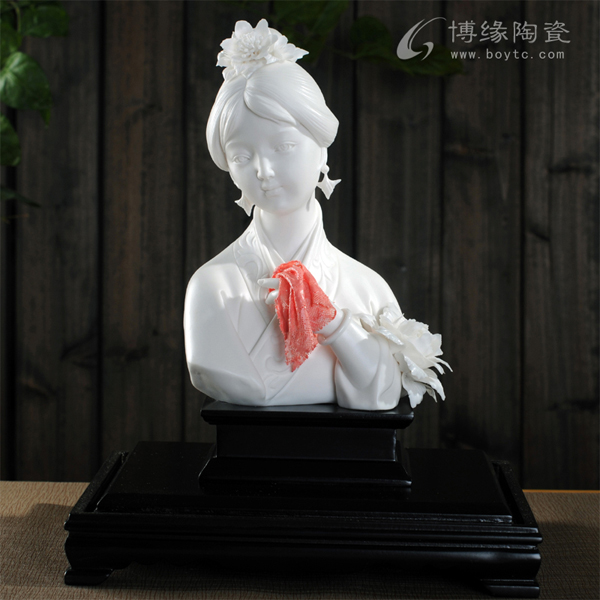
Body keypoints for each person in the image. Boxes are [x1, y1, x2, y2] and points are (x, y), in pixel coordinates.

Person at [184, 20, 448, 411]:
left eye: (283, 146)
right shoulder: (213, 288)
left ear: (322, 149)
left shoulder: (367, 288)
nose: (263, 171)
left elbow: (380, 396)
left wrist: (334, 325)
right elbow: (225, 377)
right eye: (242, 156)